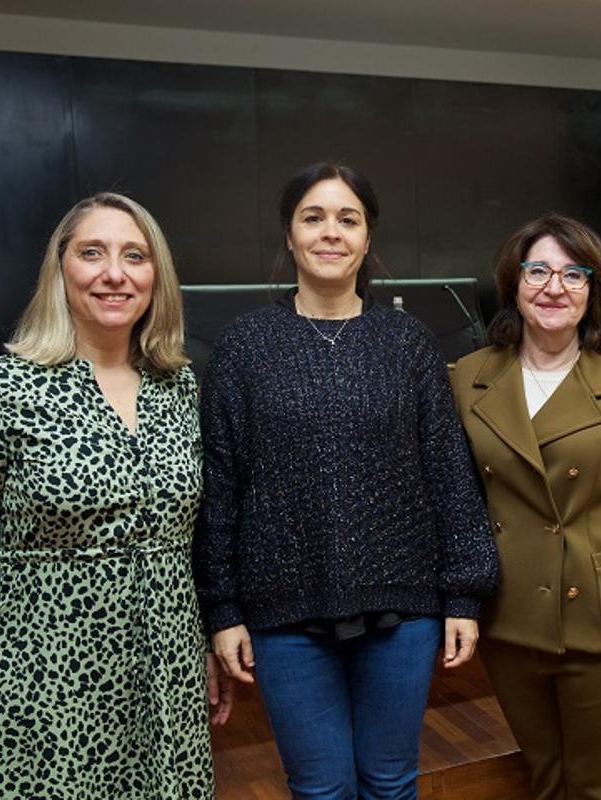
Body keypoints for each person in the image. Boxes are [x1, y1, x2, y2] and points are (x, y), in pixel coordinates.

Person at [193, 161, 498, 800]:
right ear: (289, 235)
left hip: (403, 612)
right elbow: (220, 488)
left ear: (367, 238)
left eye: (347, 219)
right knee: (320, 789)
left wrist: (464, 596)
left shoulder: (409, 343)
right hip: (283, 615)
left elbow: (448, 473)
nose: (330, 232)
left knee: (390, 783)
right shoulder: (245, 348)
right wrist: (222, 610)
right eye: (313, 217)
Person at [0, 192, 231, 800]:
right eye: (92, 253)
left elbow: (188, 538)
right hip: (49, 677)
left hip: (168, 672)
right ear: (60, 268)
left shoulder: (177, 384)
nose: (114, 273)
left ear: (156, 276)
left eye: (135, 256)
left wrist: (201, 643)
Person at [449, 213, 601, 800]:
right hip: (511, 616)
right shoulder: (468, 378)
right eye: (538, 271)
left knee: (598, 788)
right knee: (546, 779)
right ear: (514, 284)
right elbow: (458, 504)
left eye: (573, 274)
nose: (554, 288)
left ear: (593, 289)